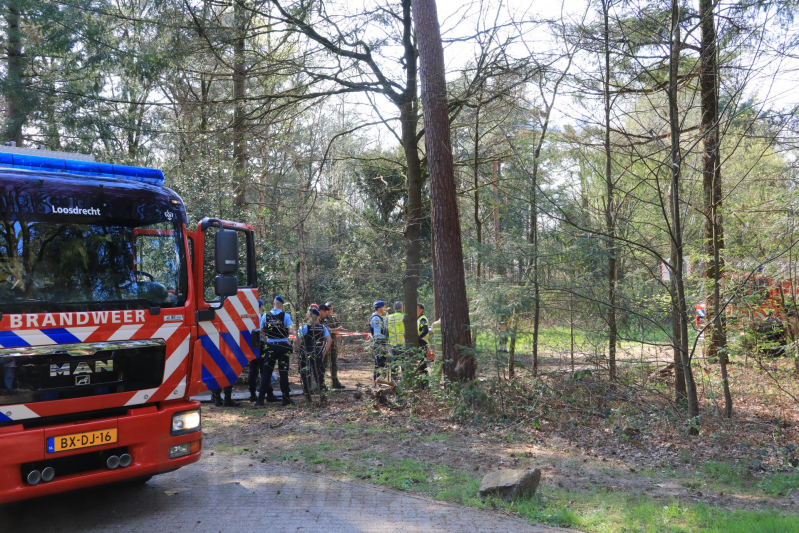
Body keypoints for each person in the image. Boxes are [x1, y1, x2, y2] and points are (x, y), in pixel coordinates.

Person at [256, 296, 295, 407]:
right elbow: (291, 330)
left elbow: (261, 330)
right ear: (281, 305)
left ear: (273, 303)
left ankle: (260, 399)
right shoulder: (286, 316)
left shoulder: (266, 315)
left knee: (266, 373)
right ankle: (286, 398)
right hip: (283, 346)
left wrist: (266, 341)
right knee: (283, 372)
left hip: (271, 347)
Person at [295, 306, 332, 402]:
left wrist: (297, 349)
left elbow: (297, 340)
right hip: (318, 352)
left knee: (305, 374)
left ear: (309, 315)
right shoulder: (322, 327)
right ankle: (323, 396)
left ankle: (308, 397)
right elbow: (329, 340)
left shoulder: (304, 327)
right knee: (319, 375)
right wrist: (323, 352)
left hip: (306, 353)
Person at [320, 302, 345, 389]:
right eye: (328, 309)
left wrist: (338, 330)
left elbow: (337, 330)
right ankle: (321, 382)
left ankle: (335, 381)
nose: (330, 311)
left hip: (334, 344)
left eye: (331, 309)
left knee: (334, 363)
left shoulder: (333, 319)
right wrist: (336, 329)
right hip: (325, 344)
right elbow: (327, 330)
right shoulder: (322, 319)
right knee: (323, 363)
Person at [248, 299, 266, 401]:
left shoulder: (250, 317)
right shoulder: (261, 317)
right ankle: (264, 392)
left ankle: (252, 393)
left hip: (251, 345)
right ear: (260, 307)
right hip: (260, 345)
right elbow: (263, 331)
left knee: (253, 369)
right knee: (263, 369)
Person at [370, 301, 389, 382]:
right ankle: (378, 381)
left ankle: (378, 381)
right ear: (379, 308)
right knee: (380, 363)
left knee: (381, 363)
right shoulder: (376, 318)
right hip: (379, 343)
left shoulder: (380, 317)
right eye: (383, 307)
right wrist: (386, 339)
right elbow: (377, 334)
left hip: (382, 343)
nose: (384, 308)